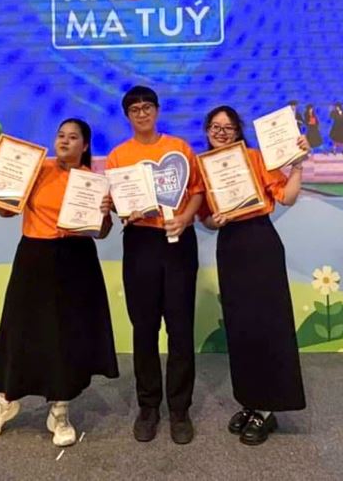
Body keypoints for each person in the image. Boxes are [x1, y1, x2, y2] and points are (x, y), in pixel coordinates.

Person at [0, 119, 119, 447]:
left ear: (85, 146)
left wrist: (104, 213)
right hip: (34, 256)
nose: (64, 141)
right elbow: (6, 212)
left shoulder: (94, 182)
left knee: (67, 335)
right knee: (20, 330)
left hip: (77, 260)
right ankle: (4, 403)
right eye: (61, 135)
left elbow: (102, 232)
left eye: (73, 137)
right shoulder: (36, 169)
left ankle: (60, 410)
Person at [199, 106, 307, 445]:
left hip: (260, 243)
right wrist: (214, 221)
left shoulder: (256, 158)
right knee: (240, 327)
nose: (221, 133)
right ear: (207, 131)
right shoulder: (204, 168)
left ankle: (268, 408)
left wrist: (298, 166)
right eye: (215, 127)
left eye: (228, 127)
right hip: (230, 247)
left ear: (238, 131)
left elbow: (287, 198)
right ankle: (249, 401)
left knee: (268, 325)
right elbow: (205, 218)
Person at [105, 86, 205, 445]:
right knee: (144, 328)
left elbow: (198, 191)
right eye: (135, 109)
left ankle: (180, 409)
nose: (142, 113)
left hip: (178, 242)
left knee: (180, 328)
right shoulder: (118, 156)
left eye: (147, 107)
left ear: (157, 111)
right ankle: (148, 407)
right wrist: (116, 207)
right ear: (127, 116)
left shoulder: (179, 148)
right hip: (140, 244)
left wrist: (186, 219)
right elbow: (117, 202)